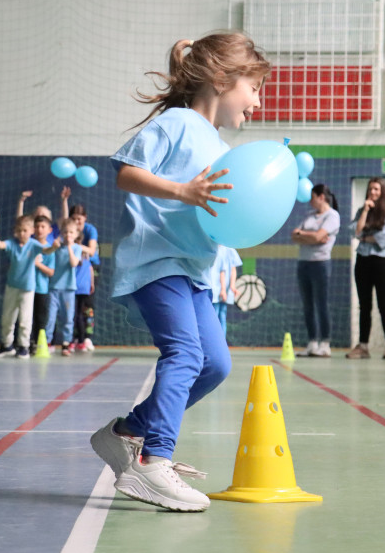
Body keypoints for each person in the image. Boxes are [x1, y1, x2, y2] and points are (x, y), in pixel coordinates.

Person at [91, 32, 269, 512]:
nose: (257, 101)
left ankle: (128, 432)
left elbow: (217, 214)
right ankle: (152, 462)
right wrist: (183, 192)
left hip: (193, 269)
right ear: (220, 79)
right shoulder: (177, 122)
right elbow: (126, 173)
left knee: (214, 365)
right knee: (185, 353)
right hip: (156, 260)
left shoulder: (217, 142)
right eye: (253, 87)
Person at [347, 177, 385, 360]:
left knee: (383, 304)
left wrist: (366, 238)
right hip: (363, 261)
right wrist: (365, 212)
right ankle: (363, 346)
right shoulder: (362, 211)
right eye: (371, 189)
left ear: (382, 192)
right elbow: (355, 231)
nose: (373, 192)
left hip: (382, 263)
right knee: (365, 305)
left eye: (376, 189)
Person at [291, 184, 341, 357]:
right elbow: (293, 235)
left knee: (321, 304)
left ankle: (325, 343)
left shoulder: (332, 216)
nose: (310, 201)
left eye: (312, 197)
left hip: (320, 264)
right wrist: (311, 237)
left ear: (321, 197)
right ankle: (312, 342)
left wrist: (304, 235)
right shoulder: (309, 216)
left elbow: (319, 236)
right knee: (308, 305)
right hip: (303, 264)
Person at [0, 215, 41, 359]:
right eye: (19, 231)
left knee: (25, 319)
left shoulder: (34, 245)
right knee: (7, 317)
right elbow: (2, 245)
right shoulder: (12, 243)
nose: (22, 233)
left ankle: (24, 346)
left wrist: (54, 246)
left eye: (25, 230)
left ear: (31, 231)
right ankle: (7, 345)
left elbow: (47, 250)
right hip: (12, 287)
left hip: (27, 289)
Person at [62, 194, 99, 351]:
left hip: (90, 268)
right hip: (74, 268)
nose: (77, 222)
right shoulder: (69, 231)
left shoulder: (90, 230)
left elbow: (91, 251)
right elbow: (63, 223)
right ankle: (77, 337)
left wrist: (75, 246)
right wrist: (63, 201)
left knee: (87, 304)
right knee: (73, 305)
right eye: (74, 219)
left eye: (80, 219)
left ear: (85, 218)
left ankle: (88, 337)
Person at [45, 218, 82, 356]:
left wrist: (69, 248)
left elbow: (73, 263)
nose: (68, 235)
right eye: (65, 232)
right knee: (50, 317)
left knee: (67, 318)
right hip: (54, 288)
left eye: (71, 232)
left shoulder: (77, 248)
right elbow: (46, 253)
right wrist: (54, 246)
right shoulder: (56, 247)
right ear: (61, 233)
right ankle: (48, 343)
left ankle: (66, 343)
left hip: (68, 289)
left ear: (76, 234)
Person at [29, 215, 56, 354]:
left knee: (40, 317)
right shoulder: (28, 245)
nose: (39, 230)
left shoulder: (49, 250)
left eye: (43, 227)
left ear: (49, 230)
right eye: (37, 227)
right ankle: (23, 343)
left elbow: (51, 272)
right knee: (26, 318)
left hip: (41, 289)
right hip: (26, 288)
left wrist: (37, 264)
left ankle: (38, 343)